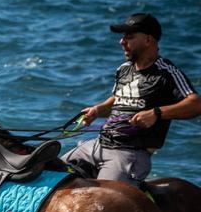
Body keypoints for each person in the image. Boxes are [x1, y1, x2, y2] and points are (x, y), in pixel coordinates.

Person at [62, 13, 201, 185]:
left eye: (129, 37)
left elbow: (195, 104)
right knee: (47, 173)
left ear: (148, 40)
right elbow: (118, 99)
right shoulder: (124, 69)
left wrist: (156, 113)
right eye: (122, 37)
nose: (122, 42)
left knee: (103, 202)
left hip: (129, 154)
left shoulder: (166, 72)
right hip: (98, 144)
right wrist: (97, 110)